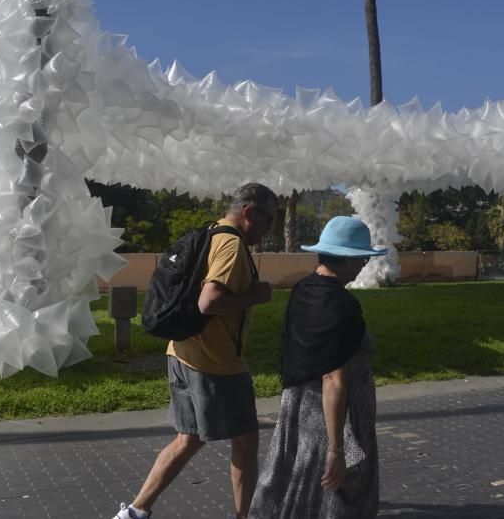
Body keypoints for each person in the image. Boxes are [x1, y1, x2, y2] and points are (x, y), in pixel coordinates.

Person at [112, 183, 279, 519]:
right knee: (245, 442)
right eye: (269, 219)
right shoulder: (230, 246)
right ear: (249, 213)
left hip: (182, 351)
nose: (269, 228)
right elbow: (210, 300)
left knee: (187, 439)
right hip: (215, 363)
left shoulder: (211, 233)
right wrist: (257, 296)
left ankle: (135, 512)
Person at [250, 216, 385, 518]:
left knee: (296, 482)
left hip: (297, 405)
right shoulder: (342, 304)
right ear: (347, 259)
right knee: (336, 489)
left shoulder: (303, 288)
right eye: (362, 258)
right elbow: (333, 378)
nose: (364, 265)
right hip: (332, 415)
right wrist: (337, 448)